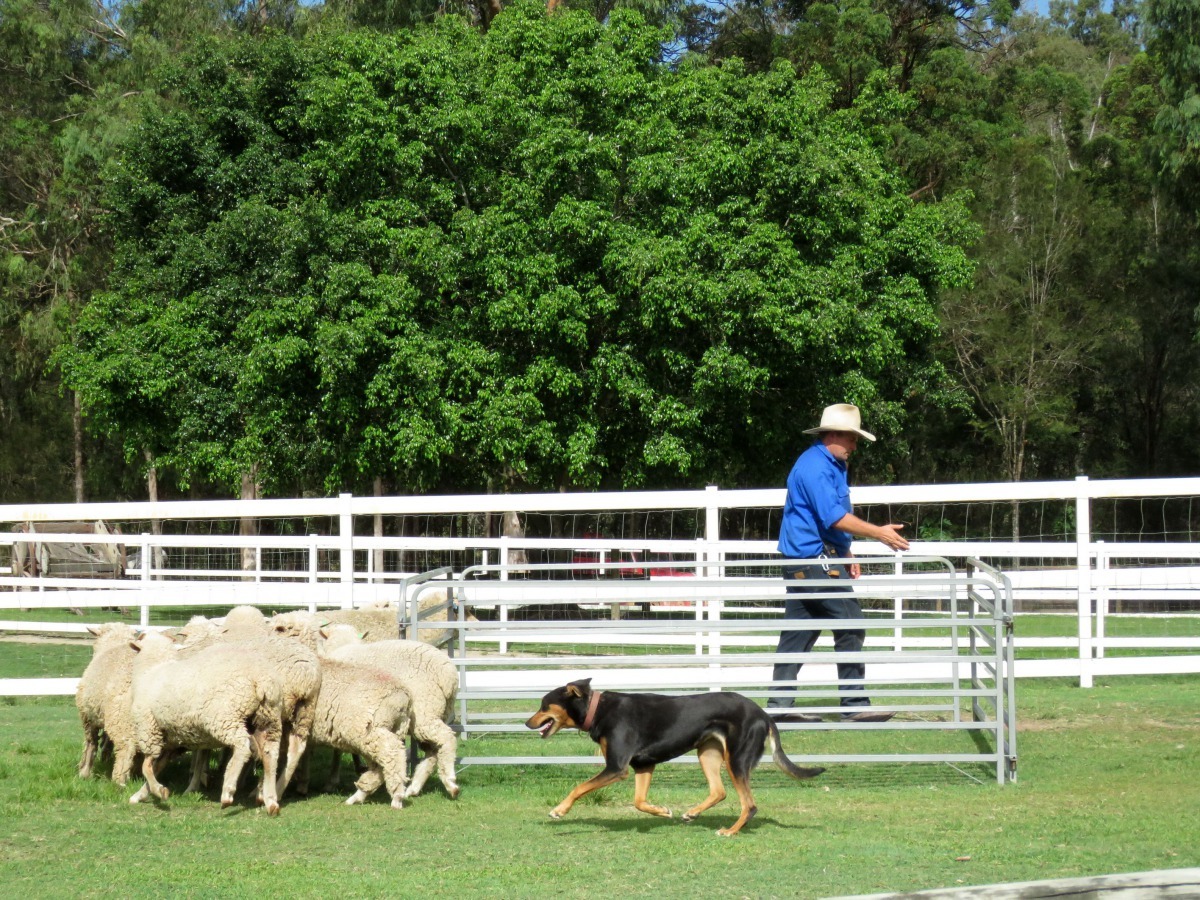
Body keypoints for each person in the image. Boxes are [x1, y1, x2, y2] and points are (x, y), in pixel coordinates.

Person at [769, 403, 910, 723]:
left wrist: (845, 551)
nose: (855, 446)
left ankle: (778, 706)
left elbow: (830, 519)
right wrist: (879, 534)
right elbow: (833, 516)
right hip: (813, 562)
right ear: (832, 434)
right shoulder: (815, 468)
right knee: (850, 621)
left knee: (799, 632)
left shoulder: (831, 464)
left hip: (812, 559)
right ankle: (854, 703)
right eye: (852, 439)